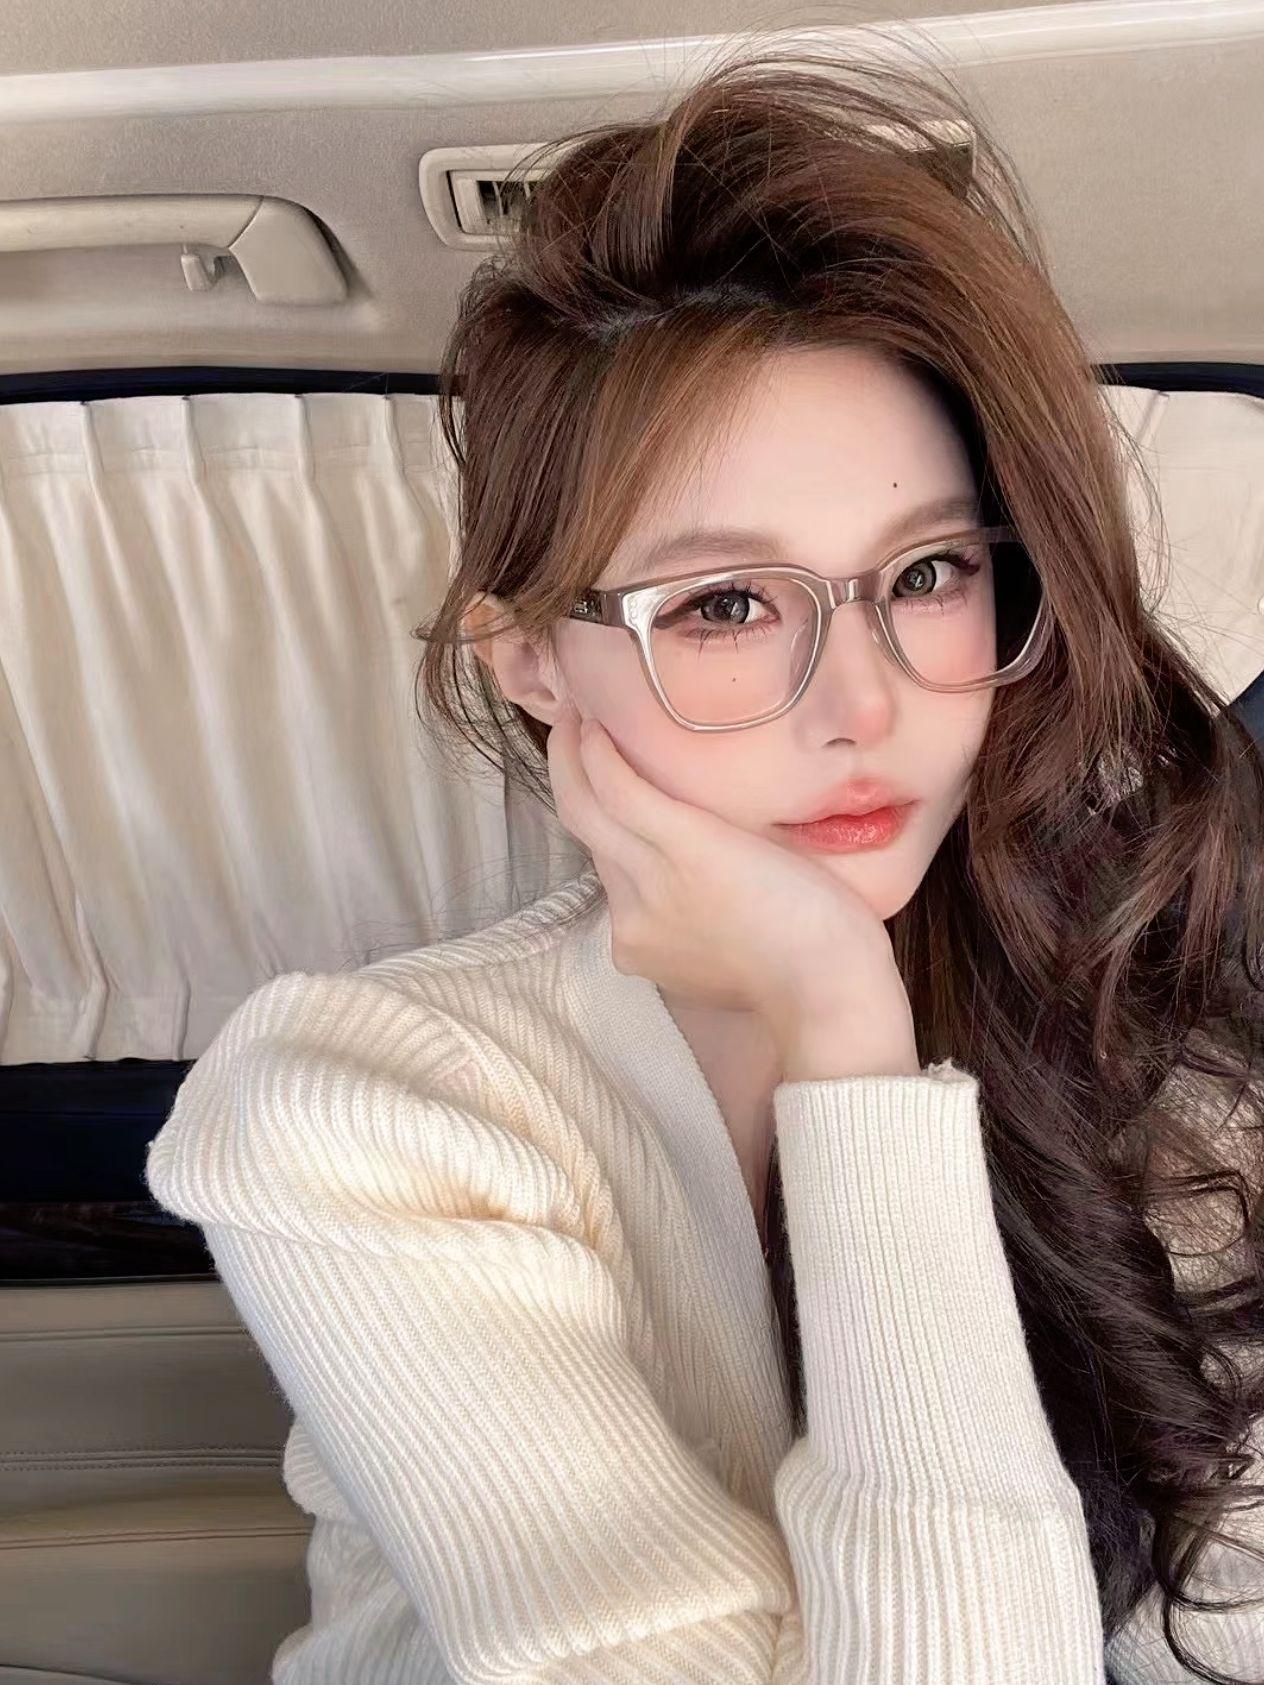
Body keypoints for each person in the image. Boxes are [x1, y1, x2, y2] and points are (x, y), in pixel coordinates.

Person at [144, 27, 1264, 1685]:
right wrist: (845, 1039)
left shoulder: (1146, 1054)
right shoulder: (363, 1110)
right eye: (727, 604)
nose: (866, 704)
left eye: (931, 575)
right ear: (533, 659)